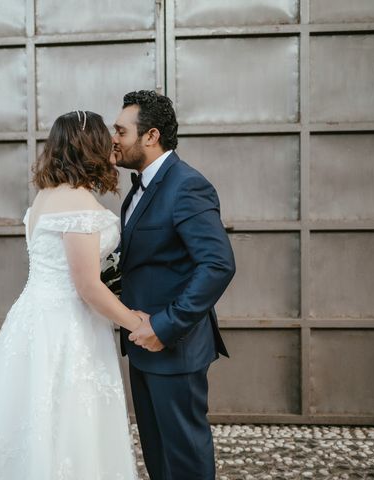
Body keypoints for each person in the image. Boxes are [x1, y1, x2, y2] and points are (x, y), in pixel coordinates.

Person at [0, 110, 141, 479]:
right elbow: (88, 286)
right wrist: (135, 322)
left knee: (27, 417)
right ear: (88, 146)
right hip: (67, 328)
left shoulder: (45, 198)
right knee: (67, 423)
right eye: (105, 137)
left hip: (34, 317)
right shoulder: (77, 205)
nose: (112, 142)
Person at [113, 90, 236, 480]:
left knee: (184, 460)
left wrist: (164, 326)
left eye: (120, 130)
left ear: (150, 136)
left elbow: (218, 264)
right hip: (142, 345)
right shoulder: (137, 189)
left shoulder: (186, 185)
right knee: (158, 458)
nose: (112, 138)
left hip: (174, 345)